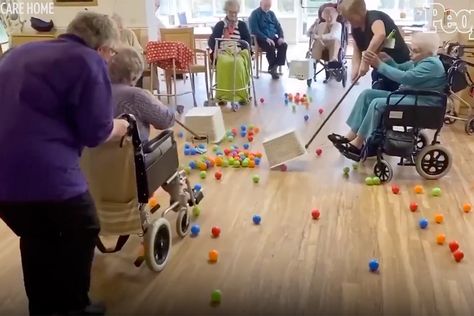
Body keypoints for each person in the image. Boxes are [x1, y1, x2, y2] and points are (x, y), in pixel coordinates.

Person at [0, 11, 129, 316]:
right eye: (111, 53)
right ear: (101, 48)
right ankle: (75, 307)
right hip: (47, 174)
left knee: (37, 237)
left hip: (3, 181)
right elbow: (96, 132)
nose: (109, 60)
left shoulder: (20, 52)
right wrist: (119, 127)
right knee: (83, 228)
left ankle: (42, 308)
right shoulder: (88, 60)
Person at [328, 32, 446, 161]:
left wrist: (380, 65)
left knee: (377, 103)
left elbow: (405, 78)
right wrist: (389, 61)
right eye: (411, 49)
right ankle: (352, 134)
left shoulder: (431, 65)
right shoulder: (423, 61)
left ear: (428, 53)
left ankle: (359, 142)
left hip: (423, 102)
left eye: (415, 51)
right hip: (412, 97)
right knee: (367, 94)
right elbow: (401, 68)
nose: (410, 53)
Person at [338, 0, 411, 91]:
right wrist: (355, 71)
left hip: (399, 63)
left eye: (350, 18)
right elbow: (357, 51)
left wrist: (365, 61)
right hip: (381, 66)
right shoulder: (355, 28)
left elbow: (380, 34)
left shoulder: (374, 17)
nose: (349, 21)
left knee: (389, 96)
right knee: (376, 90)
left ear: (359, 12)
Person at [109, 46, 175, 142]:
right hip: (130, 154)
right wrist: (153, 100)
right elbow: (165, 121)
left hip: (95, 155)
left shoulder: (95, 90)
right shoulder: (136, 95)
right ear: (134, 75)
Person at [208, 0, 252, 105]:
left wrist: (238, 47)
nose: (233, 14)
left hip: (238, 51)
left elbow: (248, 42)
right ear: (226, 11)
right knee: (224, 63)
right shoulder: (220, 25)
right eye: (231, 12)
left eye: (235, 12)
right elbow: (211, 42)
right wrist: (219, 44)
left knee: (238, 63)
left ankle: (241, 95)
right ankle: (223, 96)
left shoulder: (242, 25)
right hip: (223, 52)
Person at [249, 0, 287, 79]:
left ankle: (274, 67)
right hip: (260, 38)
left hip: (272, 37)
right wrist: (266, 38)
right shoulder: (255, 14)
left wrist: (281, 37)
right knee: (270, 46)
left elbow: (278, 26)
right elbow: (254, 30)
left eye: (269, 6)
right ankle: (272, 67)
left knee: (283, 45)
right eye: (265, 6)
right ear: (260, 4)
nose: (267, 8)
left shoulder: (271, 14)